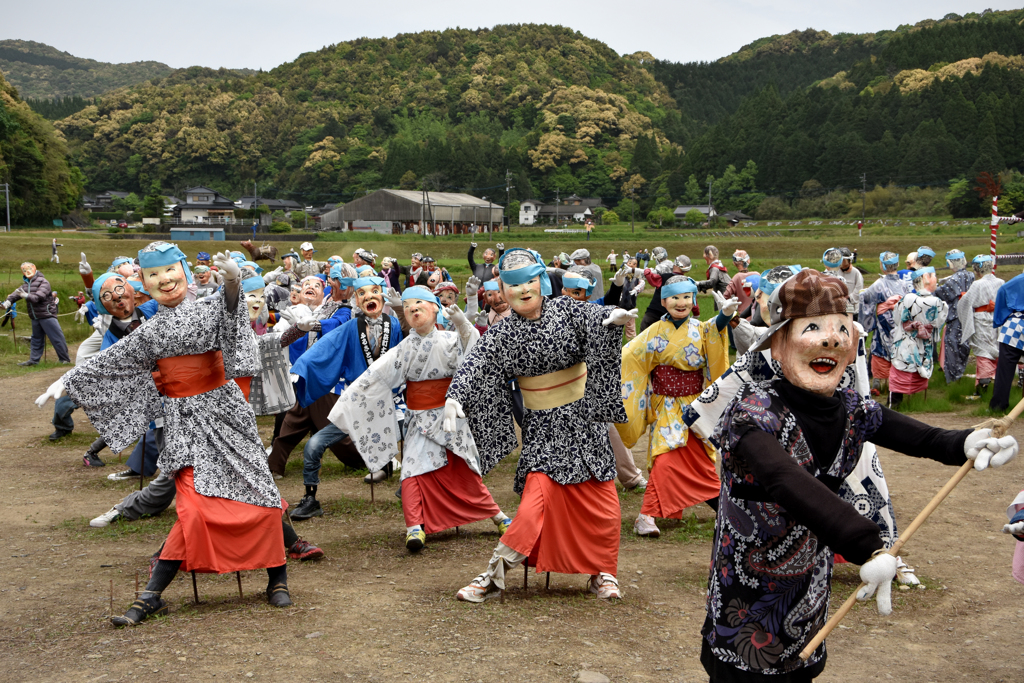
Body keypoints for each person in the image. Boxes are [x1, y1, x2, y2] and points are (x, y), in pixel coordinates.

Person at [701, 267, 1018, 681]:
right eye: (811, 327)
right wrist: (867, 545)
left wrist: (964, 444)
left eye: (841, 329)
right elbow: (784, 480)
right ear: (777, 345)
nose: (830, 339)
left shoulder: (852, 407)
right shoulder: (753, 414)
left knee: (802, 670)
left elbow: (921, 438)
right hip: (747, 594)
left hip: (810, 588)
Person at [39, 243, 292, 626]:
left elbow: (231, 314)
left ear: (185, 274)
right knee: (192, 510)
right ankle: (151, 596)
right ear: (143, 283)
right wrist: (68, 380)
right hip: (184, 425)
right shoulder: (149, 331)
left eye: (170, 271)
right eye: (153, 274)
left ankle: (278, 578)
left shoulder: (209, 307)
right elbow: (112, 360)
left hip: (226, 415)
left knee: (261, 494)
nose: (164, 280)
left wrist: (234, 282)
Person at [447, 249, 637, 602]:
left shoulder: (568, 310)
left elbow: (597, 316)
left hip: (585, 425)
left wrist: (612, 318)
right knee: (535, 504)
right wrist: (456, 396)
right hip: (543, 432)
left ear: (543, 282)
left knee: (602, 506)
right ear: (503, 290)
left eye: (530, 280)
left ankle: (602, 573)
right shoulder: (501, 334)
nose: (523, 289)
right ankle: (494, 573)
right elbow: (476, 362)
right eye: (514, 284)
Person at [330, 286, 511, 550]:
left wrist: (463, 326)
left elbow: (474, 355)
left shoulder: (451, 339)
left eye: (420, 303)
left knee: (463, 471)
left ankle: (499, 517)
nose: (414, 308)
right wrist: (346, 404)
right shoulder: (404, 348)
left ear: (435, 307)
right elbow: (376, 376)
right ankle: (414, 527)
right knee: (411, 474)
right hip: (418, 420)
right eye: (408, 306)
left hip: (449, 416)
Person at [619, 277, 738, 537]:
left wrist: (724, 317)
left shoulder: (701, 328)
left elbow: (714, 333)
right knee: (665, 457)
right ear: (663, 301)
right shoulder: (653, 332)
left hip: (695, 406)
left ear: (694, 300)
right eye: (675, 298)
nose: (681, 303)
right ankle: (645, 516)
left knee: (700, 462)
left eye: (687, 297)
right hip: (667, 406)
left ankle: (727, 512)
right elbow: (629, 357)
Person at [284, 273, 403, 517]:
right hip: (356, 403)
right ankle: (310, 498)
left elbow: (415, 344)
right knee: (314, 445)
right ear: (356, 301)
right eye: (362, 293)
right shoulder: (350, 329)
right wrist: (300, 370)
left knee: (417, 436)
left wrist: (401, 310)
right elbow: (324, 349)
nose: (369, 296)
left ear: (382, 295)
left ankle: (413, 488)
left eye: (373, 291)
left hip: (391, 404)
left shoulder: (396, 326)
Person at [53, 274, 158, 467]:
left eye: (121, 291)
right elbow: (106, 361)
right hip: (137, 381)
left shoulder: (150, 309)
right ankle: (97, 452)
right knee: (136, 418)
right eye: (109, 297)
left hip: (162, 376)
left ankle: (142, 465)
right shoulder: (111, 331)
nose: (118, 299)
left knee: (156, 421)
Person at [888, 267, 946, 409]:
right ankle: (914, 400)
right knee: (919, 365)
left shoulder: (907, 299)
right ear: (925, 278)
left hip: (905, 342)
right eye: (933, 276)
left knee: (901, 368)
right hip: (924, 343)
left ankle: (895, 401)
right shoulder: (938, 303)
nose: (936, 279)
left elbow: (897, 319)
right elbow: (939, 322)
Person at [860, 252, 910, 396]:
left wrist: (860, 295)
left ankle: (878, 383)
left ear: (882, 266)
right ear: (898, 264)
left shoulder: (879, 284)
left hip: (884, 324)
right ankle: (898, 384)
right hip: (900, 321)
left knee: (879, 350)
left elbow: (866, 298)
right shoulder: (905, 285)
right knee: (900, 350)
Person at [2, 262, 70, 366]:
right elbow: (15, 295)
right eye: (24, 270)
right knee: (36, 339)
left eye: (29, 268)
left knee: (56, 338)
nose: (27, 271)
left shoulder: (44, 282)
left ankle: (64, 359)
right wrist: (6, 303)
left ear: (34, 268)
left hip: (47, 315)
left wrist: (25, 295)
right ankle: (33, 361)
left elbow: (38, 298)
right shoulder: (26, 285)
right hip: (35, 316)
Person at [958, 255, 1002, 398]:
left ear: (977, 269)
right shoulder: (1001, 282)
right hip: (997, 320)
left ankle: (982, 389)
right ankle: (998, 384)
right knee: (997, 349)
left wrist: (964, 297)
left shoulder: (977, 284)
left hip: (981, 320)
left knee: (983, 353)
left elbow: (965, 303)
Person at [934, 249, 975, 384]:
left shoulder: (953, 280)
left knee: (952, 346)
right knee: (964, 345)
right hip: (968, 315)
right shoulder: (970, 275)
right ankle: (960, 371)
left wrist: (935, 288)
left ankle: (952, 377)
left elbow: (943, 293)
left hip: (955, 316)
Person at [989, 268, 1024, 411]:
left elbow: (1002, 291)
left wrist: (999, 319)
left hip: (1013, 327)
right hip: (1015, 326)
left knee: (1005, 370)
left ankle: (998, 406)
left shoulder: (1016, 281)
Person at [639, 254, 691, 332]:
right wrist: (696, 314)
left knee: (643, 340)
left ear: (675, 264)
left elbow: (651, 278)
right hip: (671, 317)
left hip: (653, 313)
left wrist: (647, 271)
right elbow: (692, 300)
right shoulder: (687, 281)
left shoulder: (664, 277)